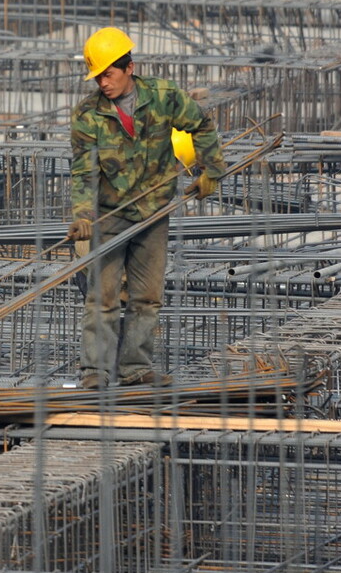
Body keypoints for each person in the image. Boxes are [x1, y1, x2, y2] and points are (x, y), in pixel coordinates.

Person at [67, 26, 225, 390]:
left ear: (129, 68)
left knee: (147, 298)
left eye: (109, 74)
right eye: (98, 76)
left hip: (153, 212)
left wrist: (211, 171)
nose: (103, 83)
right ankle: (96, 373)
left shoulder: (164, 96)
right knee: (102, 299)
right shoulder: (88, 114)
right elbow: (82, 171)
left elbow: (201, 124)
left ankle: (135, 370)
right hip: (110, 215)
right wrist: (82, 215)